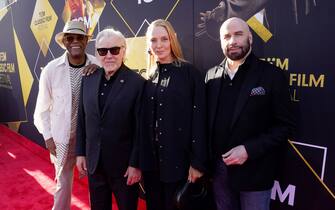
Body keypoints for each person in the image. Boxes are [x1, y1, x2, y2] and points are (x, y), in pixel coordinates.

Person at [205, 17, 295, 210]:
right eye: (226, 36)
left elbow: (284, 126)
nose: (232, 41)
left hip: (256, 173)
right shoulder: (210, 75)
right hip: (219, 173)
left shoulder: (271, 75)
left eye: (238, 34)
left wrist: (249, 149)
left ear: (250, 38)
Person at [139, 19, 207, 210]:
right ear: (148, 45)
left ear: (172, 40)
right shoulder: (148, 78)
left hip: (181, 166)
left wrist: (198, 163)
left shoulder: (190, 74)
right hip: (152, 167)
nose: (159, 45)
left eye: (164, 39)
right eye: (153, 40)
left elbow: (200, 121)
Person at [75, 27, 145, 210]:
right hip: (94, 164)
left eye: (114, 50)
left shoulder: (137, 83)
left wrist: (135, 164)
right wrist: (81, 152)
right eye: (102, 51)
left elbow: (141, 130)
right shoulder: (88, 79)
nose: (109, 55)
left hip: (123, 169)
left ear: (124, 50)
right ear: (97, 54)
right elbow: (82, 119)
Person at [33, 20, 99, 210]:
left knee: (96, 183)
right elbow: (41, 110)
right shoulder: (51, 70)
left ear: (86, 41)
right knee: (63, 183)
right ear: (65, 42)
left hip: (90, 138)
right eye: (70, 38)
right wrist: (48, 137)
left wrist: (99, 71)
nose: (75, 41)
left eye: (80, 37)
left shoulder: (98, 64)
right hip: (62, 137)